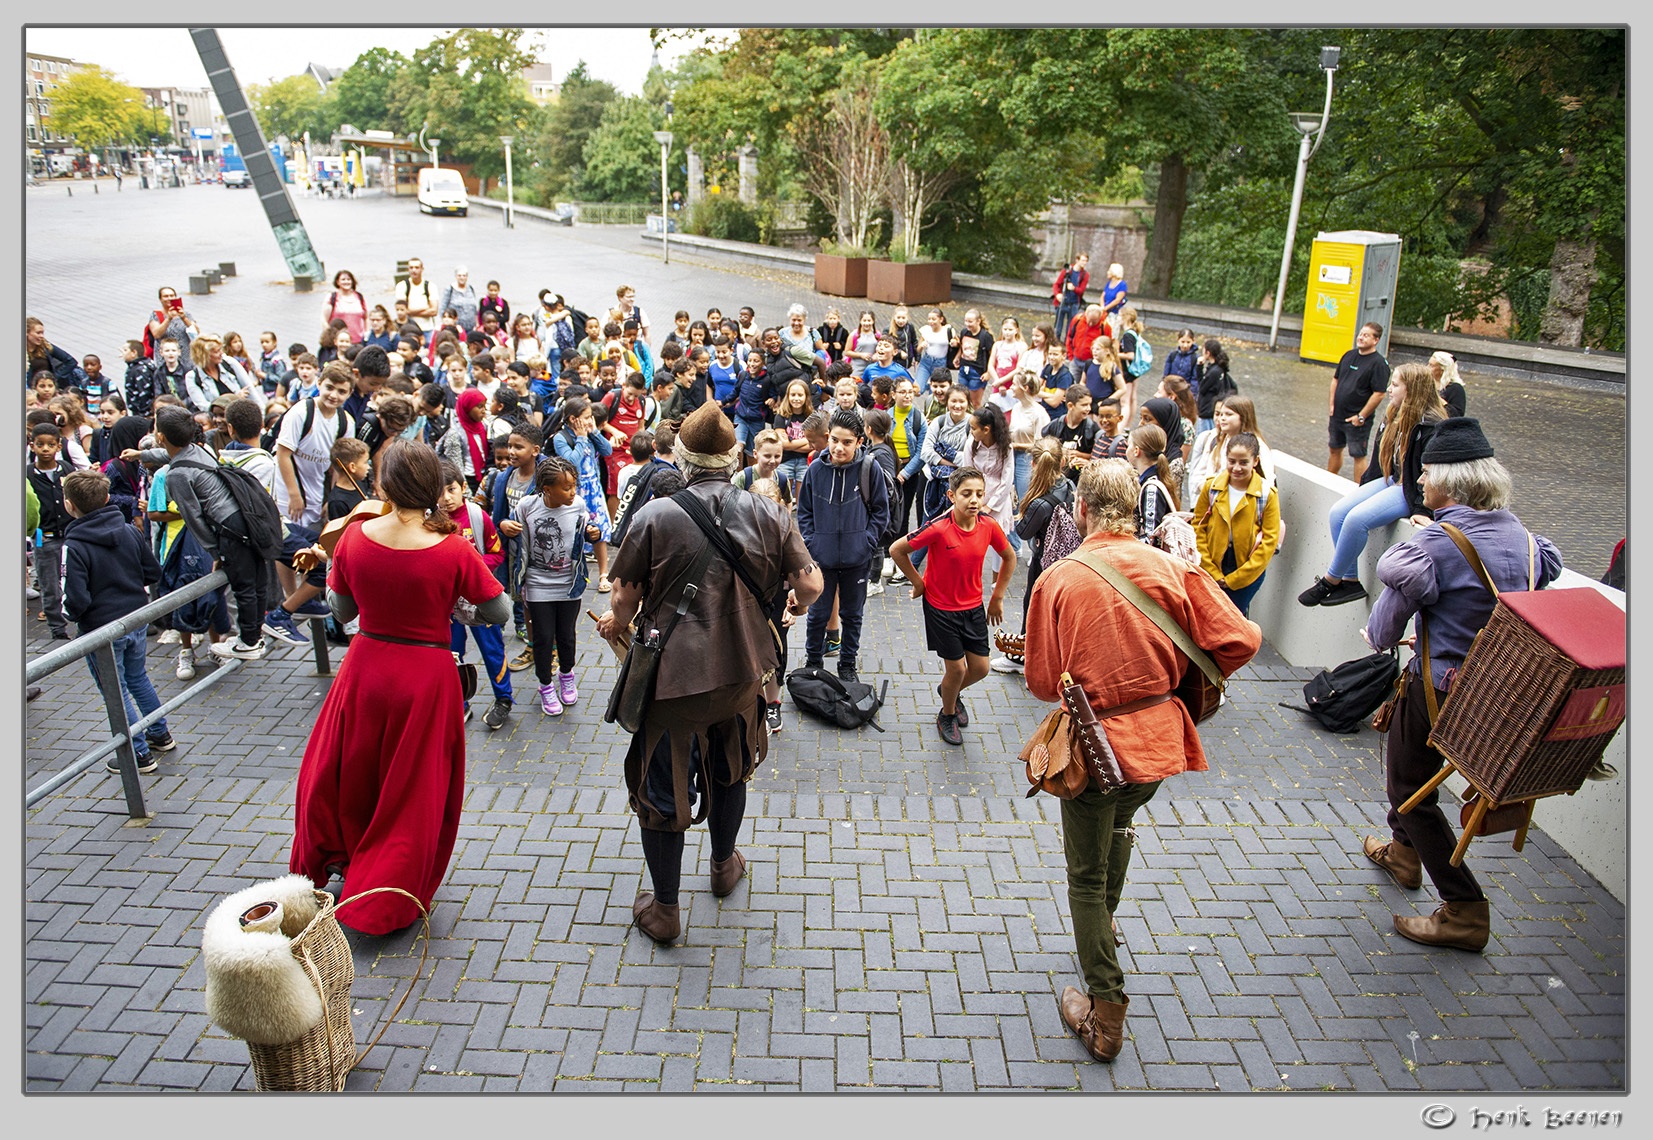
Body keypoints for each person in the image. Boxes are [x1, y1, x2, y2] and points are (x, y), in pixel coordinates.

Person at [1025, 458, 1261, 1064]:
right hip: (1161, 741)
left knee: (1083, 874)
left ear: (1080, 511)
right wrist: (1179, 682)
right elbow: (1243, 639)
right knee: (1121, 826)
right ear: (1134, 509)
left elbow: (1043, 680)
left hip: (1097, 748)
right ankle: (1103, 930)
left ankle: (1105, 1014)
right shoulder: (1173, 568)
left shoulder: (1060, 578)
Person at [596, 402, 823, 945]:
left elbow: (622, 599)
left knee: (662, 792)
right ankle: (724, 868)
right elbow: (810, 585)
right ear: (734, 457)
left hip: (673, 682)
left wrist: (615, 623)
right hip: (744, 674)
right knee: (731, 769)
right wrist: (787, 612)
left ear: (682, 457)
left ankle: (667, 912)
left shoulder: (654, 516)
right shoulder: (771, 513)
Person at [291, 440, 511, 934]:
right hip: (425, 675)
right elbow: (499, 612)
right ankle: (385, 887)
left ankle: (341, 859)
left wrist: (333, 573)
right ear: (434, 487)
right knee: (411, 786)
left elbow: (342, 611)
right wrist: (455, 604)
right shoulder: (453, 546)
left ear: (384, 485)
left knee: (350, 768)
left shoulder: (353, 538)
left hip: (366, 667)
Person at [1360, 419, 1562, 952]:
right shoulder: (1522, 536)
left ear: (1448, 482)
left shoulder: (1434, 543)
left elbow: (1383, 633)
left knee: (1407, 790)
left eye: (1425, 473)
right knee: (1415, 780)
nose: (1420, 482)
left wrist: (1380, 629)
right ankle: (1404, 856)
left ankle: (1465, 910)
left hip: (1440, 691)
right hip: (1500, 691)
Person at [1299, 363, 1446, 608]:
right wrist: (1365, 489)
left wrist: (1422, 510)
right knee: (1338, 513)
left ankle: (1330, 580)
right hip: (1392, 479)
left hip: (1409, 487)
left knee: (1357, 520)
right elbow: (1380, 462)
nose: (1389, 389)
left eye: (1396, 385)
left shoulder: (1432, 426)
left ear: (1412, 390)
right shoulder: (1393, 414)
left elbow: (1434, 474)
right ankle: (1350, 580)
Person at [60, 469, 177, 771]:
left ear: (69, 505)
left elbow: (75, 598)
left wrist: (72, 616)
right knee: (138, 678)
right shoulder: (130, 531)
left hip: (100, 629)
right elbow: (152, 572)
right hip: (136, 618)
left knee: (115, 690)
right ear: (108, 497)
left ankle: (137, 753)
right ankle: (159, 733)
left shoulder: (74, 545)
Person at [797, 408, 890, 684]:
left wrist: (866, 542)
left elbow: (880, 512)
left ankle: (847, 665)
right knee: (817, 616)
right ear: (828, 437)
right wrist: (813, 544)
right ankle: (813, 662)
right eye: (835, 440)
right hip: (822, 560)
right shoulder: (815, 469)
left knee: (852, 615)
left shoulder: (869, 468)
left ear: (859, 441)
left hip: (856, 560)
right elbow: (804, 512)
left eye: (847, 442)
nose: (839, 447)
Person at [512, 456, 599, 717]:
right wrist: (504, 526)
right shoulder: (527, 507)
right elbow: (513, 533)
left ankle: (566, 675)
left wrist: (591, 532)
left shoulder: (578, 505)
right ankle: (545, 686)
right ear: (547, 489)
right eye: (566, 487)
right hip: (538, 584)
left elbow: (585, 528)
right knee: (543, 638)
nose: (572, 492)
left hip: (569, 583)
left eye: (574, 486)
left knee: (566, 636)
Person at [993, 436, 1074, 674]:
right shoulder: (1068, 485)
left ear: (1033, 464)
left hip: (1043, 562)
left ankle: (1023, 658)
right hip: (1065, 559)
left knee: (1033, 607)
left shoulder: (1040, 502)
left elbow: (1022, 530)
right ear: (1062, 462)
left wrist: (1019, 506)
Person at [1192, 433, 1280, 616]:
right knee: (1209, 616)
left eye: (1243, 462)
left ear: (1255, 461)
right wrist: (1212, 570)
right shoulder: (1211, 486)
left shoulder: (1266, 494)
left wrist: (1235, 579)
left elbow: (1269, 541)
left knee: (1233, 617)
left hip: (1246, 568)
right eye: (1231, 461)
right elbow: (1198, 527)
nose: (1236, 468)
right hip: (1213, 562)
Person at [1327, 322, 1391, 481]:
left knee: (1358, 455)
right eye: (1361, 334)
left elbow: (1379, 393)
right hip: (1337, 415)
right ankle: (1328, 480)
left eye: (1366, 335)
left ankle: (1358, 488)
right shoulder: (1348, 355)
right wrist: (1332, 404)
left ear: (1376, 340)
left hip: (1357, 420)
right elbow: (1335, 380)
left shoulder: (1378, 364)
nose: (1361, 337)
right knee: (1334, 449)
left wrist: (1361, 416)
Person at [26, 422, 72, 639]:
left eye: (50, 444)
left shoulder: (66, 469)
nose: (45, 449)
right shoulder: (27, 474)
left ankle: (82, 621)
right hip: (44, 538)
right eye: (40, 444)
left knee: (75, 580)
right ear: (32, 445)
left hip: (70, 535)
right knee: (49, 585)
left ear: (58, 446)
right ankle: (57, 629)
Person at [1052, 251, 1090, 342]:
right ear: (1077, 260)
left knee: (1071, 327)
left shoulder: (1085, 275)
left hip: (1074, 303)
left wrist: (1074, 288)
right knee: (1058, 326)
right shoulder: (1067, 271)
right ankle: (1056, 342)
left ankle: (1067, 344)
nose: (1084, 263)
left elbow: (1081, 290)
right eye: (1083, 260)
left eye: (1086, 261)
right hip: (1063, 302)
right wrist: (1057, 294)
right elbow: (1057, 284)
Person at [323, 269, 368, 343]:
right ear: (337, 282)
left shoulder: (359, 297)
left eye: (348, 279)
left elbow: (366, 318)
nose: (346, 282)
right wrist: (330, 337)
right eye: (343, 279)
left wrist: (366, 333)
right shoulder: (331, 297)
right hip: (339, 342)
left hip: (358, 340)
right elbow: (324, 320)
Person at [1430, 350, 1467, 418]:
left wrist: (1439, 400)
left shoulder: (1456, 388)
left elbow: (1457, 415)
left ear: (1442, 369)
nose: (1427, 368)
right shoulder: (1426, 382)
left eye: (1431, 366)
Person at [1099, 261, 1129, 329]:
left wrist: (1106, 308)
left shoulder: (1122, 285)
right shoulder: (1109, 283)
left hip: (1114, 313)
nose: (1107, 272)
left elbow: (1117, 300)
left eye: (1109, 271)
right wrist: (1102, 307)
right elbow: (1102, 296)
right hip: (1104, 312)